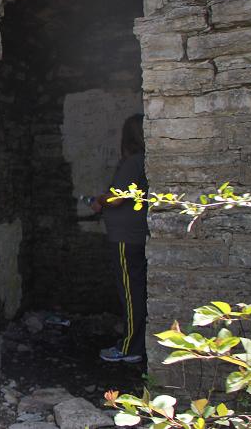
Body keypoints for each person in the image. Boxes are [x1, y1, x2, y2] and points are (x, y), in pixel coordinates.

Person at [89, 114, 148, 363]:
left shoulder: (133, 162)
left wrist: (100, 201)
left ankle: (131, 347)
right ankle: (137, 343)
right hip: (136, 234)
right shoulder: (144, 161)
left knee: (130, 291)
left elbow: (118, 198)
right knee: (137, 289)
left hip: (126, 238)